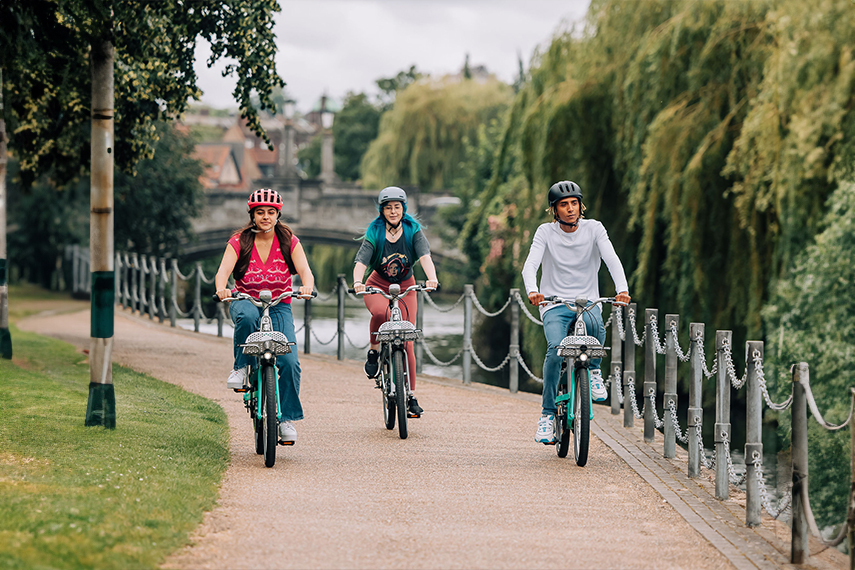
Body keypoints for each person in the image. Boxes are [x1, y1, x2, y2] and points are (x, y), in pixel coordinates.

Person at [522, 181, 631, 445]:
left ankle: (593, 371)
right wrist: (533, 291)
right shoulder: (545, 232)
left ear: (580, 205)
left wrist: (622, 289)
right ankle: (547, 416)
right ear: (554, 210)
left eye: (574, 203)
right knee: (555, 348)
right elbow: (531, 265)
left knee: (597, 329)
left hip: (588, 301)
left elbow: (611, 258)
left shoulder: (594, 228)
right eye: (563, 204)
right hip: (555, 303)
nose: (570, 209)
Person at [214, 188, 315, 444]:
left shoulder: (289, 241)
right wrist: (222, 288)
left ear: (278, 215)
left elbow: (304, 269)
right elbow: (223, 270)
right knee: (247, 318)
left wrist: (306, 286)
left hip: (280, 303)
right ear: (252, 215)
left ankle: (287, 419)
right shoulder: (239, 241)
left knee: (290, 362)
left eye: (271, 212)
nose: (266, 217)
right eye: (260, 212)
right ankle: (240, 367)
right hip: (245, 299)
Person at [352, 186, 439, 418]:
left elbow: (424, 256)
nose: (393, 212)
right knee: (381, 315)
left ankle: (410, 395)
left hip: (406, 286)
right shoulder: (376, 230)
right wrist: (357, 281)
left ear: (403, 209)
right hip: (377, 284)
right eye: (388, 208)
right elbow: (362, 259)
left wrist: (432, 278)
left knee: (407, 340)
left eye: (397, 207)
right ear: (382, 210)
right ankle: (373, 352)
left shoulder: (413, 230)